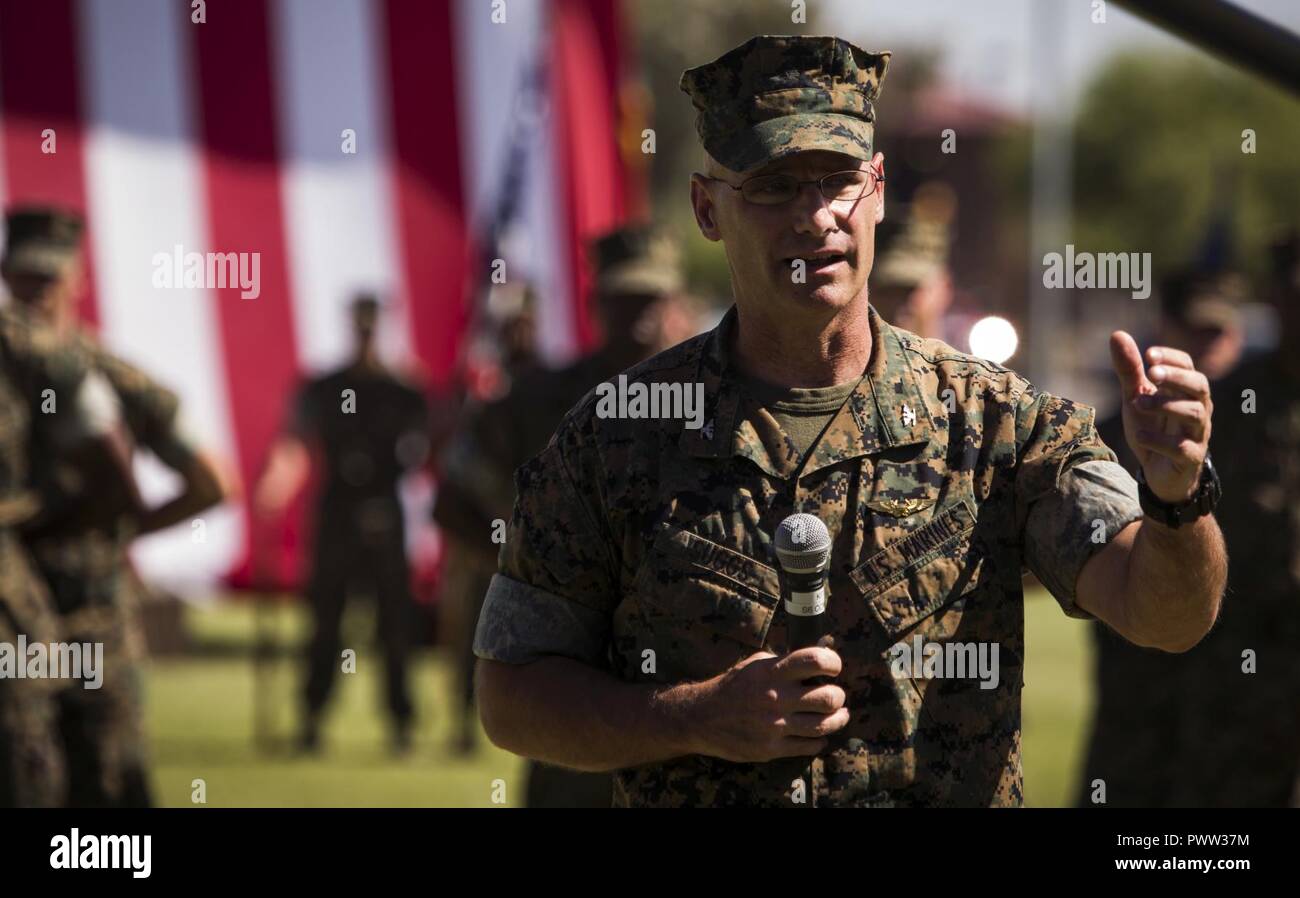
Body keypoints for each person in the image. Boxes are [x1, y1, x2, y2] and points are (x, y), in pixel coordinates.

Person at [471, 35, 1227, 808]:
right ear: (707, 208)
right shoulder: (617, 435)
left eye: (837, 180)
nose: (815, 215)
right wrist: (694, 718)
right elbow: (512, 691)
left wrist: (1177, 496)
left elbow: (1163, 615)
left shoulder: (996, 423)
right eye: (773, 185)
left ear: (879, 187)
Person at [434, 225, 691, 807]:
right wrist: (532, 567)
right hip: (574, 685)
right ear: (595, 304)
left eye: (651, 301)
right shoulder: (542, 399)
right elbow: (451, 501)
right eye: (625, 301)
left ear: (676, 305)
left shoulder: (717, 400)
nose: (640, 318)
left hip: (684, 679)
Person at [4, 206, 230, 807]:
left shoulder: (106, 377)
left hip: (91, 624)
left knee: (109, 795)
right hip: (13, 631)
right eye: (25, 277)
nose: (37, 294)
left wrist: (115, 530)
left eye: (49, 278)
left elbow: (212, 483)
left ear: (77, 279)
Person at [1079, 270, 1246, 807]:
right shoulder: (1121, 431)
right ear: (1165, 331)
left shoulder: (1268, 428)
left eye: (1220, 332)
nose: (1210, 347)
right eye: (1196, 331)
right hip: (1137, 706)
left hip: (1245, 716)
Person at [255, 295, 430, 755]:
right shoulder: (324, 387)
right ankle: (312, 717)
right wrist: (276, 485)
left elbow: (432, 449)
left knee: (394, 626)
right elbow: (293, 443)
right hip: (336, 515)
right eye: (361, 327)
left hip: (386, 514)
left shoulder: (404, 389)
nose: (366, 336)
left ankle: (401, 723)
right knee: (325, 624)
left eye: (372, 328)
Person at [868, 180, 955, 341]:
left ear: (944, 290)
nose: (900, 307)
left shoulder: (966, 365)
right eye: (889, 292)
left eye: (910, 292)